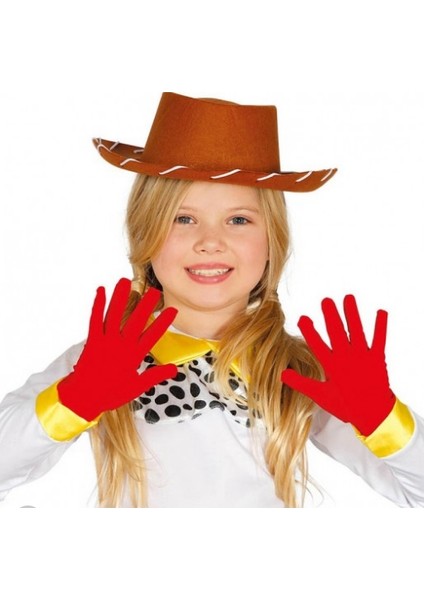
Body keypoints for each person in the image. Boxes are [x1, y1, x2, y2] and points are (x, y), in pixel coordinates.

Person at [0, 92, 423, 508]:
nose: (210, 241)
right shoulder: (101, 361)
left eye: (238, 219)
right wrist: (73, 399)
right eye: (183, 218)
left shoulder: (297, 373)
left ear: (272, 242)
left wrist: (383, 417)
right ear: (145, 234)